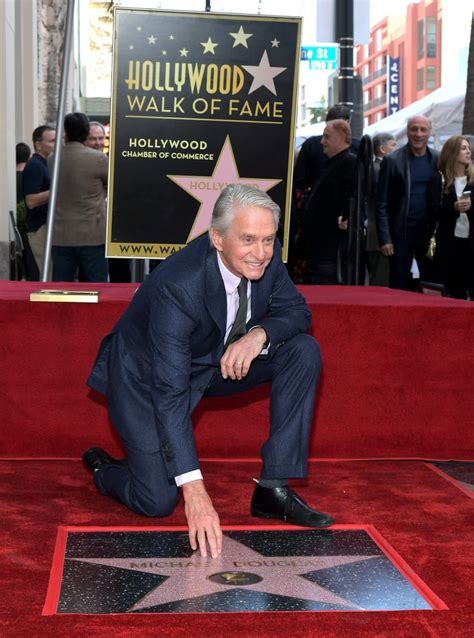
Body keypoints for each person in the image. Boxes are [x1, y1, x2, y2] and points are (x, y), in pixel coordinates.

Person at [83, 184, 335, 559]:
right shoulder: (178, 285)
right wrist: (196, 492)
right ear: (217, 237)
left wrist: (259, 335)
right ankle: (106, 470)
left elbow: (298, 313)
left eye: (268, 240)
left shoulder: (266, 258)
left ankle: (272, 489)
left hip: (210, 363)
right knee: (156, 499)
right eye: (248, 239)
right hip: (144, 378)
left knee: (302, 351)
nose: (261, 253)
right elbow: (168, 393)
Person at [376, 115, 439, 290]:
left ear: (429, 132)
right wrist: (385, 238)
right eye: (414, 129)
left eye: (423, 129)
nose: (418, 134)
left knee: (432, 283)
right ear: (408, 131)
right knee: (399, 283)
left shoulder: (437, 159)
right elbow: (381, 202)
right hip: (400, 235)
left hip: (429, 234)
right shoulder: (392, 160)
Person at [48, 112, 108, 282]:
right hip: (92, 235)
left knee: (61, 288)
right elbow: (111, 185)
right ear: (86, 132)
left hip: (61, 235)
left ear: (65, 132)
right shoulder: (99, 159)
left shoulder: (53, 158)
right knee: (98, 288)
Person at [298, 119, 357, 284]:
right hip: (318, 245)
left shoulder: (349, 163)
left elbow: (352, 196)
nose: (322, 142)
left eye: (327, 137)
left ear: (342, 136)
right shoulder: (330, 163)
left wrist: (346, 216)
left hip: (330, 246)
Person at [428, 136, 474, 299]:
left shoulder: (472, 181)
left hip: (470, 243)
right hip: (448, 242)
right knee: (454, 289)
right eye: (463, 148)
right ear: (452, 153)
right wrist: (453, 208)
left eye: (468, 148)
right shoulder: (439, 180)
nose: (468, 151)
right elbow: (432, 211)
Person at [294, 103, 360, 191]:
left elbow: (300, 180)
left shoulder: (310, 144)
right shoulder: (358, 146)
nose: (323, 142)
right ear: (347, 123)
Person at [22, 125, 56, 277]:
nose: (57, 144)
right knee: (47, 276)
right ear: (38, 144)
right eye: (52, 141)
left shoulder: (47, 164)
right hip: (40, 230)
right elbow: (31, 201)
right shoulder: (34, 166)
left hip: (47, 228)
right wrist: (57, 190)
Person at [366, 133, 397, 286]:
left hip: (375, 234)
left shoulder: (375, 167)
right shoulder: (380, 169)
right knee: (380, 279)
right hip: (378, 235)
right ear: (382, 149)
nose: (396, 149)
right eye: (393, 145)